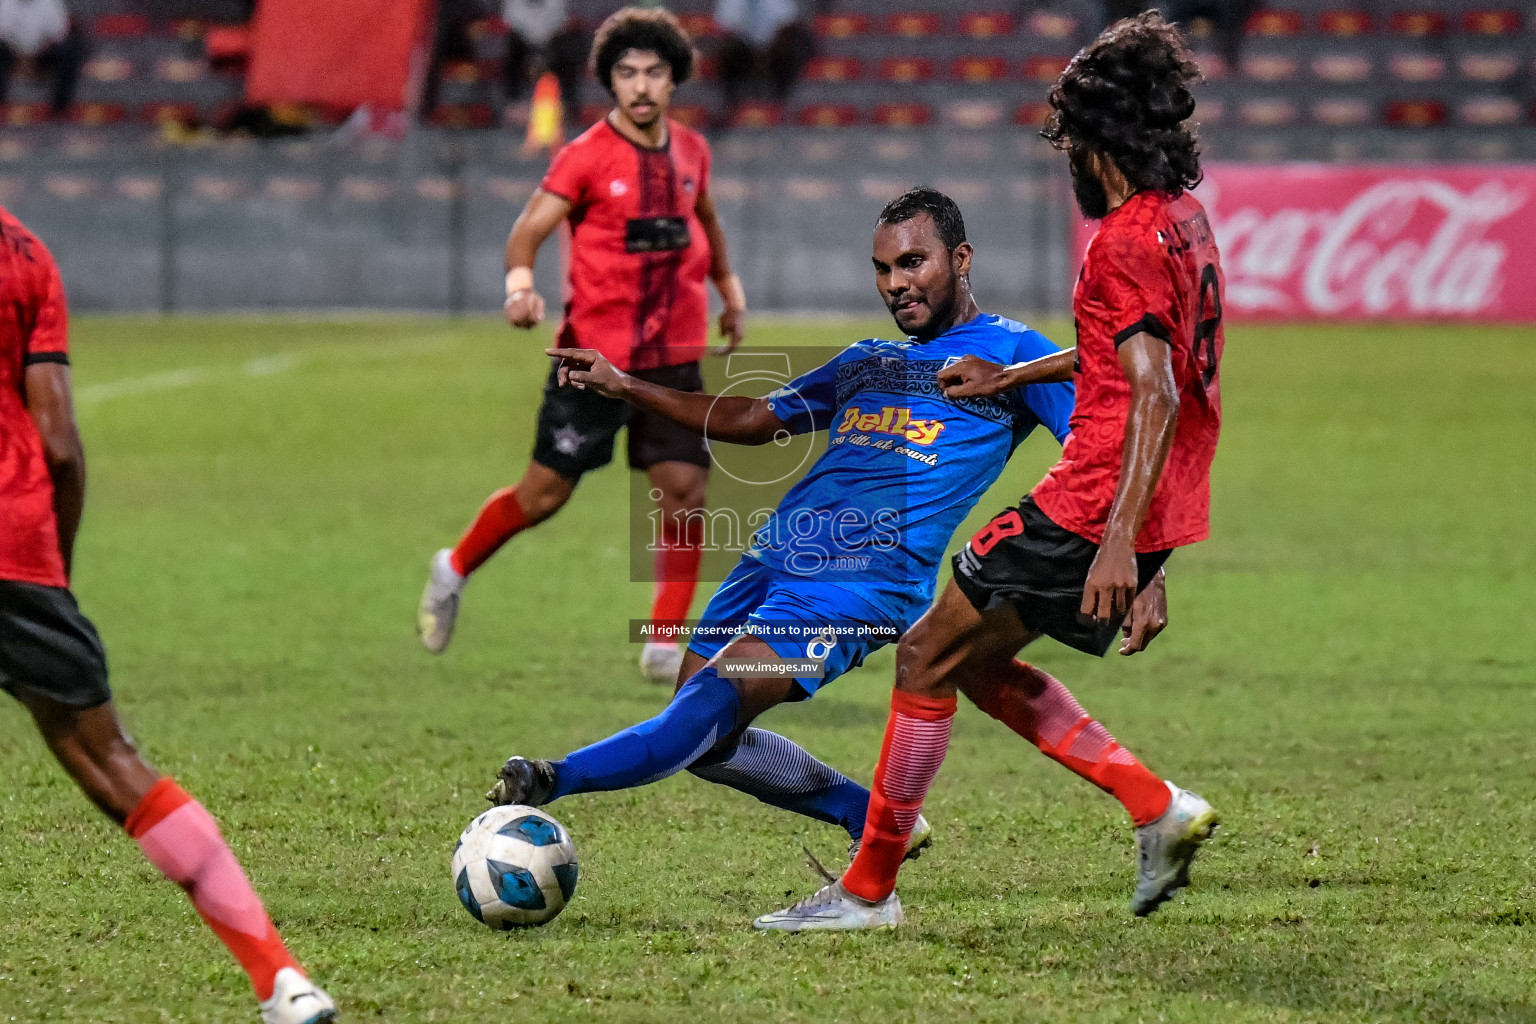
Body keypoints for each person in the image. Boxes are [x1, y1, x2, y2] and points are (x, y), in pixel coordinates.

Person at [484, 188, 1178, 882]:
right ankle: (868, 817)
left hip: (861, 585)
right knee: (707, 742)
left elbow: (1103, 448)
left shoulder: (1015, 353)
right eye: (882, 269)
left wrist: (1148, 564)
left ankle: (550, 778)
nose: (896, 284)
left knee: (697, 715)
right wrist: (625, 384)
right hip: (770, 563)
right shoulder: (866, 358)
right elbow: (757, 419)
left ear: (960, 259)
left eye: (913, 262)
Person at [755, 11, 1226, 932]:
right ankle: (1153, 806)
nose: (1070, 161)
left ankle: (868, 892)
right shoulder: (1183, 222)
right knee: (970, 662)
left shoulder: (1124, 240)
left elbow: (1155, 391)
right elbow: (1129, 359)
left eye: (1073, 142)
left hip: (1093, 495)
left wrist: (1124, 545)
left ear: (1100, 140)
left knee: (927, 650)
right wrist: (1013, 377)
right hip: (1148, 494)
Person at [0, 207, 336, 1023]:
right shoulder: (26, 253)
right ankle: (280, 980)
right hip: (16, 543)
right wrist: (54, 580)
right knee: (114, 762)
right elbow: (60, 445)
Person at [417, 6, 747, 685]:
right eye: (628, 73)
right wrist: (518, 288)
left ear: (674, 78)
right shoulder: (585, 156)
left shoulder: (692, 150)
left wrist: (729, 289)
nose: (642, 86)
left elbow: (705, 219)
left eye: (655, 72)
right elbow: (526, 234)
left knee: (685, 492)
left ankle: (663, 642)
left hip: (675, 355)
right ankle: (454, 567)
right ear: (610, 82)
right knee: (543, 495)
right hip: (593, 360)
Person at [714, 0, 813, 123]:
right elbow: (726, 25)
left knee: (791, 48)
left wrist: (767, 49)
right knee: (727, 51)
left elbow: (788, 21)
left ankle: (782, 102)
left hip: (774, 48)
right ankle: (732, 105)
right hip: (742, 49)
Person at [501, 0, 586, 126]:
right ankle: (513, 101)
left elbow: (560, 22)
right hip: (523, 42)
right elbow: (512, 22)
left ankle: (568, 104)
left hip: (552, 41)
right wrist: (533, 42)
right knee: (512, 52)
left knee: (568, 51)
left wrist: (543, 42)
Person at [0, 0, 84, 118]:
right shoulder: (5, 3)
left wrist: (35, 55)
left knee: (68, 51)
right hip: (12, 55)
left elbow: (58, 35)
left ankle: (60, 108)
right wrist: (21, 56)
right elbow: (3, 35)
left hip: (43, 56)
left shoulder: (50, 3)